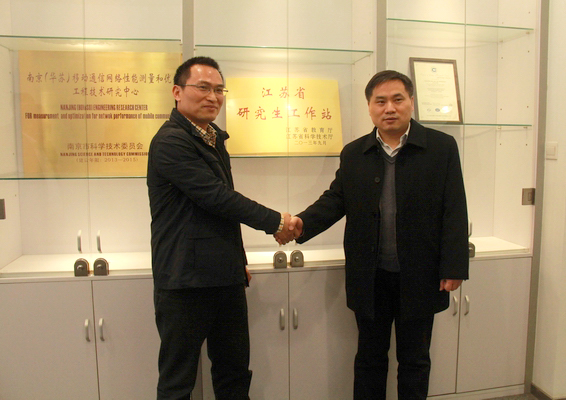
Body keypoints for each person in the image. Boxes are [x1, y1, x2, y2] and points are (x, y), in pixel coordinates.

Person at [278, 70, 469, 399]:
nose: (389, 108)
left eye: (397, 99)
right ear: (369, 107)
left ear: (411, 102)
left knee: (415, 360)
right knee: (369, 358)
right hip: (371, 276)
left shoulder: (441, 147)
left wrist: (453, 266)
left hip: (421, 274)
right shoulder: (355, 153)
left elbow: (455, 207)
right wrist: (301, 223)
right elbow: (336, 199)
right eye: (380, 101)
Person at [147, 56, 294, 400]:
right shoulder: (170, 141)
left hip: (224, 277)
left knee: (234, 373)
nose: (212, 96)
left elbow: (220, 213)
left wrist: (236, 260)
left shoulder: (212, 137)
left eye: (218, 89)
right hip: (184, 280)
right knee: (177, 382)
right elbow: (216, 198)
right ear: (177, 92)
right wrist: (276, 221)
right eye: (203, 87)